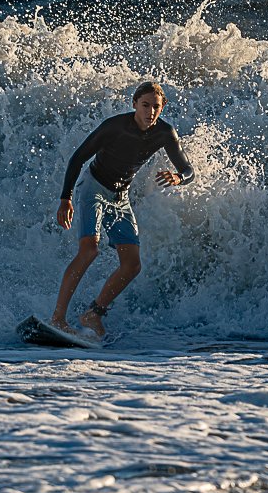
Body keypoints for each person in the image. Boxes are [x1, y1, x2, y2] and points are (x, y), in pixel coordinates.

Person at [51, 81, 194, 338]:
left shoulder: (164, 133)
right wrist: (66, 198)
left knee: (131, 264)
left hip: (120, 197)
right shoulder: (114, 127)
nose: (150, 112)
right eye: (145, 105)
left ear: (163, 108)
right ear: (134, 105)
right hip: (93, 187)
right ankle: (58, 318)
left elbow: (188, 170)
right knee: (89, 249)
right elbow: (78, 157)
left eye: (156, 107)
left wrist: (178, 178)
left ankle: (94, 313)